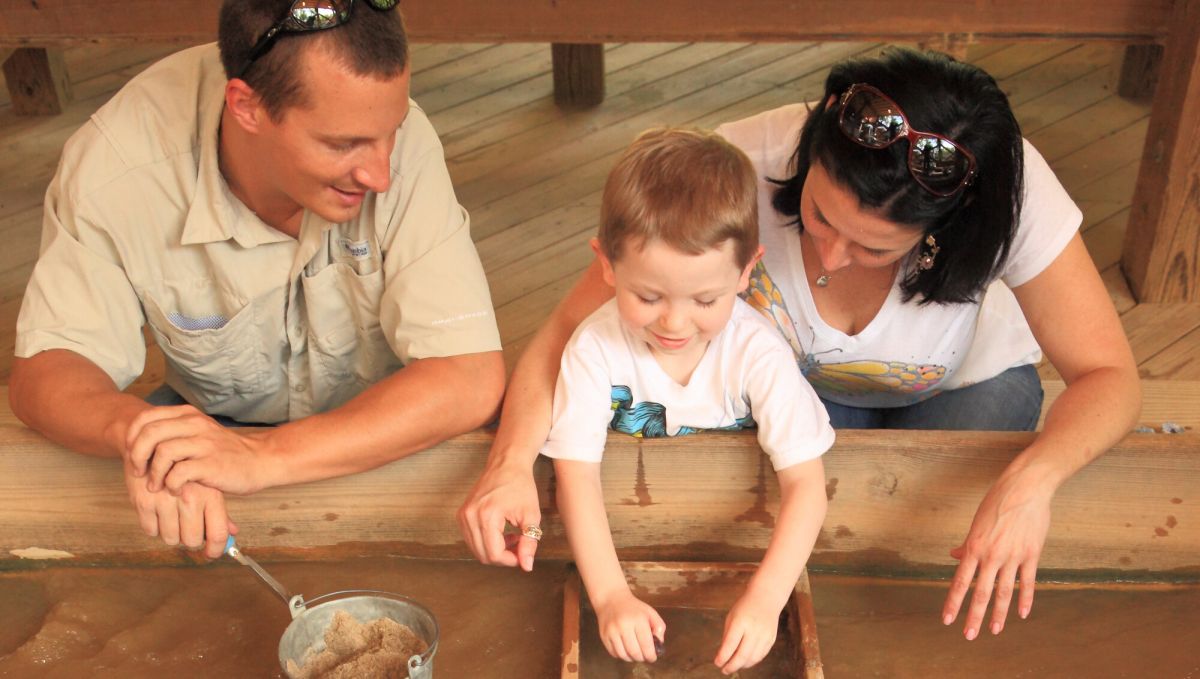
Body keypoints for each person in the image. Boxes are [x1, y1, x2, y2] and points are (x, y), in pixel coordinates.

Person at [460, 48, 1141, 643]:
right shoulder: (734, 168)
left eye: (874, 247)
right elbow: (564, 331)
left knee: (945, 511)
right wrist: (511, 462)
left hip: (963, 394)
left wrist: (1031, 482)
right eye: (818, 216)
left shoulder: (1011, 195)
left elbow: (1111, 376)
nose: (833, 254)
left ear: (942, 230)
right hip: (804, 391)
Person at [10, 0, 504, 561]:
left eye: (391, 131)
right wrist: (150, 437)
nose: (381, 174)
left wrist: (262, 459)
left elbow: (469, 375)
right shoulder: (117, 166)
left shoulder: (390, 137)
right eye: (342, 145)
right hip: (212, 425)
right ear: (246, 106)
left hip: (387, 428)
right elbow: (45, 371)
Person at [544, 128, 832, 673]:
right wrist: (608, 596)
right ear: (606, 264)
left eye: (705, 299)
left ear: (747, 271)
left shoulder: (759, 355)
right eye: (647, 296)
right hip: (632, 538)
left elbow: (807, 487)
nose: (674, 323)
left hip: (744, 545)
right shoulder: (593, 349)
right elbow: (576, 476)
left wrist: (767, 598)